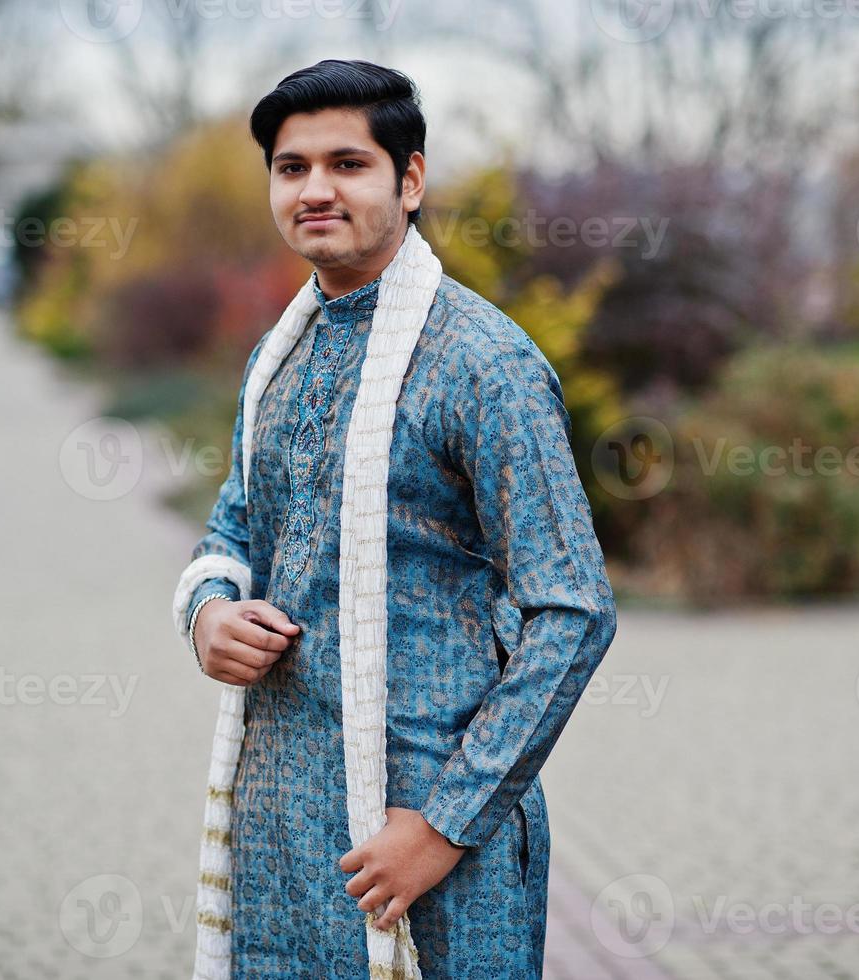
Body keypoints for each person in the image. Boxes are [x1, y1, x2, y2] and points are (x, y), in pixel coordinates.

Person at [171, 58, 617, 979]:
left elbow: (571, 613)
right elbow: (233, 531)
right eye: (291, 168)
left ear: (409, 181)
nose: (315, 189)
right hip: (284, 836)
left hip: (430, 841)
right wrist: (208, 612)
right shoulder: (278, 356)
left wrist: (443, 826)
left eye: (348, 163)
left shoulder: (482, 363)